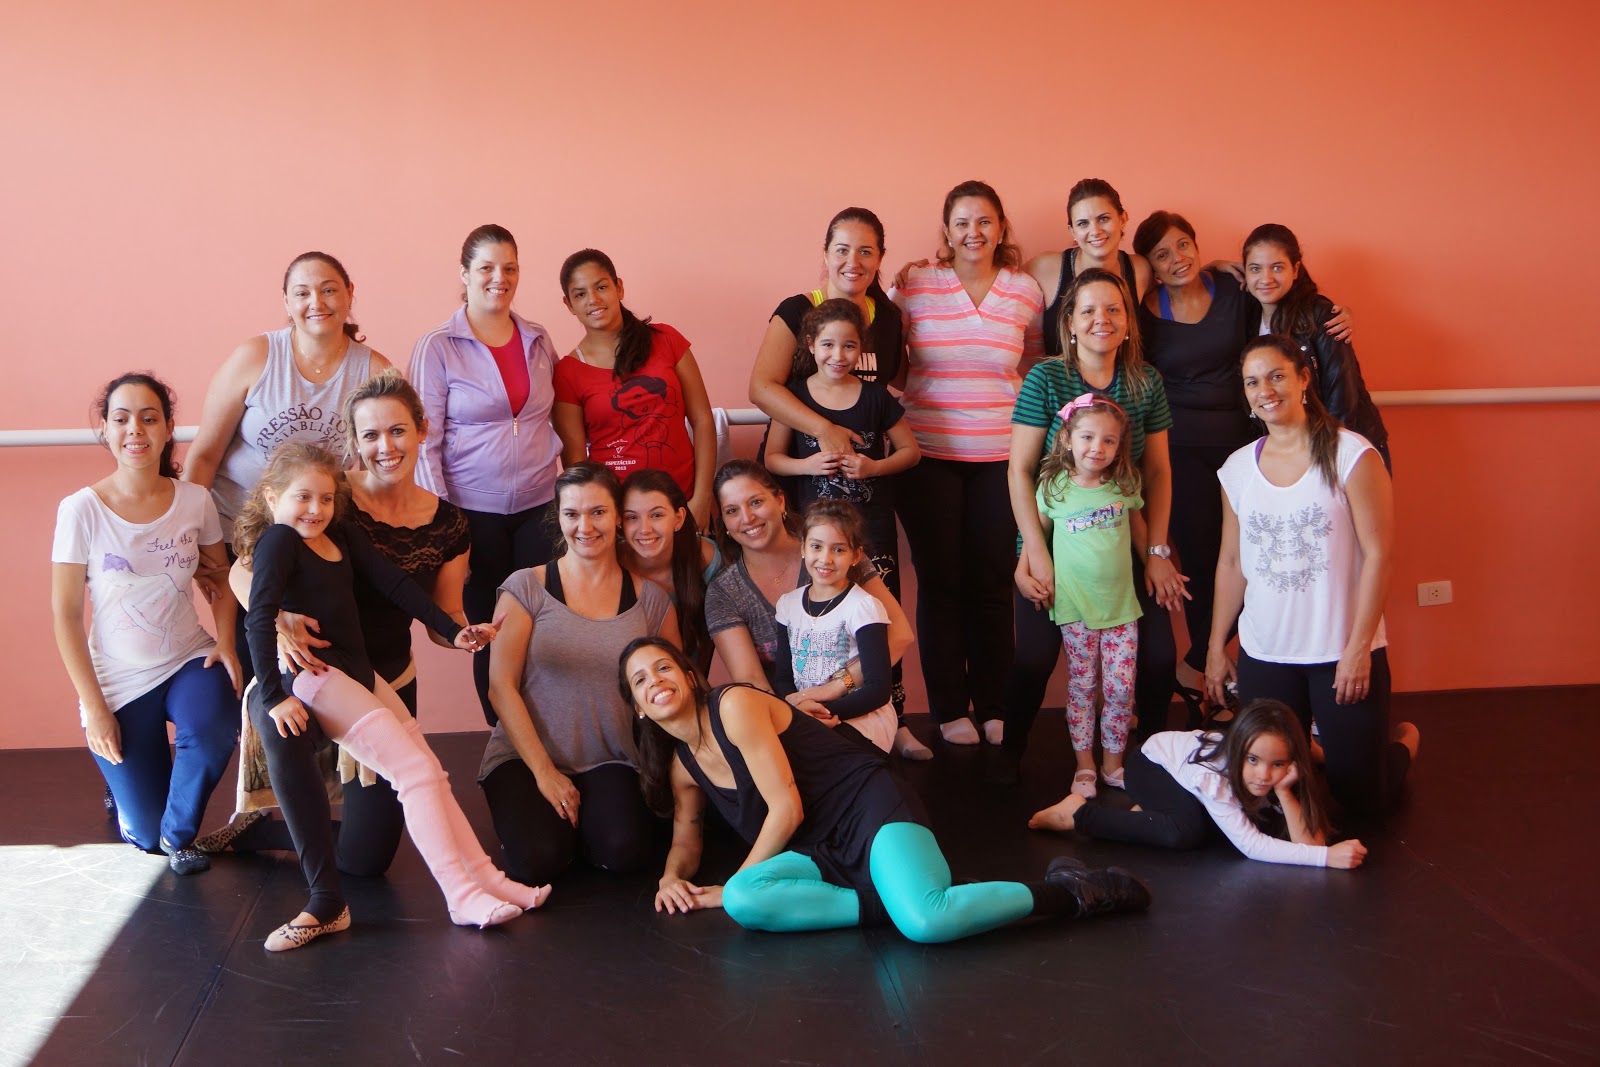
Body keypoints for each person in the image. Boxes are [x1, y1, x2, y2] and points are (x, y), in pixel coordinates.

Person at [622, 637, 1152, 942]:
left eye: (663, 666)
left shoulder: (733, 705)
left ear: (690, 676)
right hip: (814, 849)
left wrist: (734, 877)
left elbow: (786, 806)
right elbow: (686, 837)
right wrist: (672, 877)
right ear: (640, 707)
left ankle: (1072, 891)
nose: (655, 680)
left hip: (866, 808)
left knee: (926, 921)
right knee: (744, 901)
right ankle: (893, 899)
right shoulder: (682, 767)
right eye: (640, 680)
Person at [236, 442, 546, 951]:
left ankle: (490, 879)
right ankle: (461, 895)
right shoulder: (278, 540)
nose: (315, 509)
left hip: (360, 672)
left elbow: (396, 585)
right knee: (414, 774)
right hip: (318, 675)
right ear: (272, 498)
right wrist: (273, 697)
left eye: (325, 498)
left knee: (432, 773)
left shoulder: (339, 535)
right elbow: (259, 618)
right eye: (302, 497)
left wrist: (456, 630)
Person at [199, 370, 472, 879]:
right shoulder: (325, 497)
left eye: (398, 430)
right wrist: (277, 620)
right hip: (317, 671)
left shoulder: (448, 522)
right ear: (355, 443)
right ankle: (288, 846)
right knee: (289, 732)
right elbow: (242, 571)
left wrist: (465, 636)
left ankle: (265, 833)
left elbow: (443, 614)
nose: (386, 447)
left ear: (422, 430)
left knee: (365, 861)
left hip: (387, 677)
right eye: (371, 435)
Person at [1135, 213, 1358, 715]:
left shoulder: (1235, 292)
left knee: (1259, 558)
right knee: (1203, 562)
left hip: (1246, 446)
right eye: (1162, 255)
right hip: (1179, 451)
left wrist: (1336, 314)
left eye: (1183, 245)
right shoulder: (1144, 312)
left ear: (1196, 244)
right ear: (1150, 266)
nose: (1177, 259)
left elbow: (1287, 313)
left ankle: (1198, 666)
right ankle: (1209, 680)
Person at [1206, 337, 1418, 816]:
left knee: (1362, 806)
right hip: (1266, 652)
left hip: (1339, 651)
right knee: (1266, 801)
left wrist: (1359, 649)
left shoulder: (1351, 454)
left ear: (1303, 379)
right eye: (1252, 382)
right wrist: (1217, 647)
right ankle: (1318, 753)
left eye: (1276, 376)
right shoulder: (1237, 469)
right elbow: (1231, 563)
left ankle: (1403, 745)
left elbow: (1380, 555)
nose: (1265, 391)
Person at [999, 269, 1186, 785]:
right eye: (1088, 310)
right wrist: (1034, 556)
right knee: (1034, 658)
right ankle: (1010, 753)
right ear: (1070, 323)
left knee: (1159, 657)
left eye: (1113, 310)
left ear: (1128, 322)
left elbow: (1158, 472)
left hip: (1126, 537)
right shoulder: (1045, 378)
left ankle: (1147, 757)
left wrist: (1158, 553)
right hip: (1051, 541)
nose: (1101, 319)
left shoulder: (1145, 382)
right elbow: (1020, 471)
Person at [51, 373, 241, 875]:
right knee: (143, 835)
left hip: (185, 658)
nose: (135, 429)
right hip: (119, 680)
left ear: (168, 428)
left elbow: (219, 579)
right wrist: (94, 707)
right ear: (106, 430)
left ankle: (180, 837)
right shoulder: (80, 511)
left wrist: (226, 642)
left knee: (215, 725)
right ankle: (138, 809)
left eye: (148, 417)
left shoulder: (195, 500)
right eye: (121, 419)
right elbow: (65, 615)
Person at [183, 251, 390, 685]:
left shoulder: (375, 371)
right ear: (286, 302)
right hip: (241, 541)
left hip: (317, 542)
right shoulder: (257, 356)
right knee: (258, 669)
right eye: (302, 293)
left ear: (350, 294)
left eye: (329, 289)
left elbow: (386, 461)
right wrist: (190, 539)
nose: (317, 302)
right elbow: (203, 456)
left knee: (317, 666)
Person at [480, 462, 679, 886]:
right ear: (558, 517)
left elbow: (673, 689)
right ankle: (547, 832)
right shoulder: (526, 588)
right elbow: (500, 688)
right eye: (571, 514)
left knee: (624, 852)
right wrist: (544, 773)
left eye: (598, 512)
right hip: (525, 758)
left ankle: (580, 832)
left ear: (618, 517)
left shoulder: (651, 600)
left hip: (611, 757)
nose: (584, 527)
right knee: (537, 862)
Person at [895, 180, 1043, 746]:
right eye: (962, 222)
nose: (973, 232)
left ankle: (995, 705)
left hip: (1002, 459)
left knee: (993, 583)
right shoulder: (915, 284)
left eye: (984, 221)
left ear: (1001, 228)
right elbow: (894, 361)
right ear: (947, 230)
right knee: (940, 583)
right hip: (927, 456)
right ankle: (950, 709)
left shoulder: (1025, 290)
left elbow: (1031, 362)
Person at [410, 224, 562, 725]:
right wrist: (444, 523)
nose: (500, 278)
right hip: (471, 515)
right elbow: (424, 442)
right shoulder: (437, 346)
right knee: (487, 631)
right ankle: (502, 739)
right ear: (465, 274)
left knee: (542, 626)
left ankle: (548, 736)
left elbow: (555, 417)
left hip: (539, 508)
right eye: (487, 268)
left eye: (509, 268)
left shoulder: (537, 338)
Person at [763, 300, 921, 752]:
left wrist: (874, 467)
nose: (838, 355)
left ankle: (895, 717)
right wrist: (807, 464)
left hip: (868, 531)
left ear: (861, 349)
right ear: (810, 345)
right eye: (828, 344)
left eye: (849, 346)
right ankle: (815, 707)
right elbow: (772, 458)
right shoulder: (794, 396)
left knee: (881, 624)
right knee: (825, 627)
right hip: (817, 538)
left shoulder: (876, 397)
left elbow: (910, 452)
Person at [703, 461, 921, 757]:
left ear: (780, 501)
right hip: (785, 713)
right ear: (725, 524)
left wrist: (835, 688)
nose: (747, 517)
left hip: (856, 707)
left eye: (756, 502)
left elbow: (900, 635)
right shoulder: (725, 590)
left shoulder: (830, 553)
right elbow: (753, 682)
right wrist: (799, 713)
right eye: (732, 510)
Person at [1028, 699, 1370, 869]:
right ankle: (1078, 814)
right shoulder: (1214, 776)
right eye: (1253, 760)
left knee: (1226, 825)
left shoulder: (1284, 773)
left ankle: (1149, 813)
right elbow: (1252, 847)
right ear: (1238, 750)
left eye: (1277, 765)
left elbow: (1308, 841)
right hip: (1151, 765)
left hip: (1185, 779)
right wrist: (1326, 858)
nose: (1264, 775)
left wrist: (1285, 792)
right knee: (1186, 832)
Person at [552, 249, 717, 528]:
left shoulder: (667, 340)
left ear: (619, 287)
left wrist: (702, 498)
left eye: (601, 287)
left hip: (683, 502)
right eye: (580, 294)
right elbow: (577, 467)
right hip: (619, 517)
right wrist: (605, 520)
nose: (593, 300)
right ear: (569, 304)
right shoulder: (568, 373)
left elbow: (702, 420)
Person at [1033, 395, 1145, 798]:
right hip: (1075, 607)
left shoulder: (1124, 485)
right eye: (1087, 437)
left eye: (1108, 441)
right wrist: (1027, 572)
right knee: (1083, 686)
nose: (1097, 448)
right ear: (1067, 438)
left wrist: (1156, 559)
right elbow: (1035, 537)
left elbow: (1139, 526)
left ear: (1119, 446)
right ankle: (1084, 765)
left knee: (1120, 690)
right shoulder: (1054, 488)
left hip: (1122, 607)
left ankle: (1113, 764)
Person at [748, 207, 905, 462]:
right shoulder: (795, 311)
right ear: (826, 254)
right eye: (842, 250)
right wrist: (824, 430)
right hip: (796, 468)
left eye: (865, 252)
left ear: (880, 258)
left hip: (863, 472)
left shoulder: (889, 317)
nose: (853, 262)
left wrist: (924, 275)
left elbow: (906, 379)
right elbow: (761, 389)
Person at [1242, 224, 1390, 468]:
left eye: (1277, 267)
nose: (1266, 278)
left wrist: (1329, 453)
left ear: (1295, 269)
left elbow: (1342, 395)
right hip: (1290, 448)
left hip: (1338, 447)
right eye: (1255, 268)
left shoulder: (1320, 315)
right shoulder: (1245, 315)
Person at [772, 502, 898, 753]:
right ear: (803, 548)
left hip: (859, 717)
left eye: (838, 549)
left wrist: (823, 712)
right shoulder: (787, 605)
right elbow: (783, 677)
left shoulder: (863, 607)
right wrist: (800, 709)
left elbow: (878, 689)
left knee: (820, 756)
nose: (825, 559)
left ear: (856, 555)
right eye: (816, 546)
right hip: (806, 714)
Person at [1025, 179, 1152, 360]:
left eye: (1103, 219)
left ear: (1122, 219)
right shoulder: (1044, 268)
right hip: (1057, 378)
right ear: (1072, 231)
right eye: (1083, 223)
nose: (1095, 231)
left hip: (1125, 378)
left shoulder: (1140, 270)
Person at [620, 468, 721, 676]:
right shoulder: (612, 564)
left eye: (656, 515)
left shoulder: (707, 559)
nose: (645, 529)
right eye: (632, 517)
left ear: (678, 518)